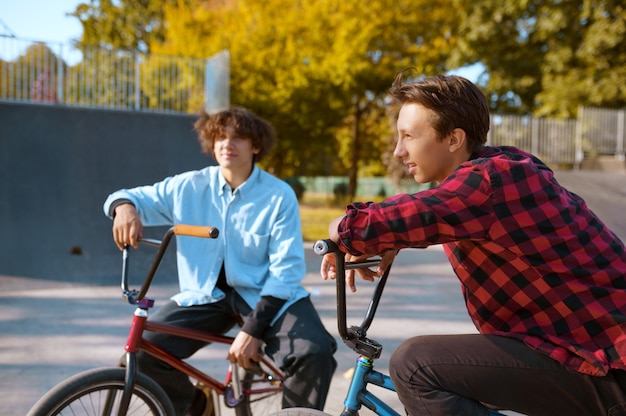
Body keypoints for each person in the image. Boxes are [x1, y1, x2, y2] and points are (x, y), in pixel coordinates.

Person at [321, 72, 626, 416]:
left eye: (408, 136)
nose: (398, 150)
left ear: (453, 139)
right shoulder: (500, 169)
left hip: (605, 366)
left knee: (415, 365)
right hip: (589, 354)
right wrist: (396, 240)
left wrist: (337, 228)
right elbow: (437, 213)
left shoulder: (486, 183)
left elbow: (367, 224)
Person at [104, 107, 337, 416]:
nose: (227, 144)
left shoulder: (279, 196)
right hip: (204, 295)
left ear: (255, 146)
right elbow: (127, 196)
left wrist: (252, 330)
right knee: (144, 350)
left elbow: (286, 271)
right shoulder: (187, 186)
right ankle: (194, 405)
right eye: (220, 137)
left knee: (315, 352)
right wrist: (125, 208)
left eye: (238, 137)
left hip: (265, 295)